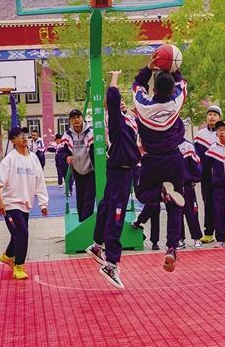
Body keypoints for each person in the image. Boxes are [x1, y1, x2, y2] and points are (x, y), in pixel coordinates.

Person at [86, 70, 141, 289]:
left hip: (124, 171)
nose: (121, 103)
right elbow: (113, 98)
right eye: (118, 102)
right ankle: (110, 263)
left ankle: (97, 244)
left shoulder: (131, 121)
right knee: (116, 216)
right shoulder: (114, 121)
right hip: (120, 170)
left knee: (107, 206)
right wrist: (115, 78)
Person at [132, 61, 187, 272]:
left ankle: (161, 194)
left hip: (152, 160)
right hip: (174, 158)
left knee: (142, 194)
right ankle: (172, 248)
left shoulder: (143, 106)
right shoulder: (176, 102)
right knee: (176, 207)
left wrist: (149, 68)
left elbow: (137, 84)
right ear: (172, 90)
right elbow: (182, 83)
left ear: (153, 89)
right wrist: (172, 67)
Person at [0, 127, 49, 280]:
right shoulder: (10, 159)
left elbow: (40, 181)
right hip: (10, 205)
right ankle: (19, 267)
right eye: (19, 136)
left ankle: (7, 256)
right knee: (22, 233)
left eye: (25, 135)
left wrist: (43, 203)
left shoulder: (34, 158)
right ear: (13, 141)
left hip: (25, 206)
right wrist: (0, 202)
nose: (24, 137)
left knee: (17, 234)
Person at [57, 109, 95, 222]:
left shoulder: (91, 131)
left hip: (91, 170)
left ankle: (87, 223)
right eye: (73, 118)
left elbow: (100, 147)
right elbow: (61, 151)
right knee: (80, 198)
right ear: (70, 121)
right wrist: (66, 157)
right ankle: (82, 222)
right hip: (78, 170)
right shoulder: (67, 134)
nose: (76, 120)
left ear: (82, 118)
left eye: (78, 117)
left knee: (89, 197)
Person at [194, 106, 222, 244]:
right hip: (206, 177)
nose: (212, 117)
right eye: (210, 114)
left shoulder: (223, 133)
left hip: (221, 176)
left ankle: (224, 233)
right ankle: (209, 233)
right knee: (208, 203)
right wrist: (196, 173)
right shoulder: (200, 135)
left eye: (215, 115)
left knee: (222, 204)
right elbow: (196, 156)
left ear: (219, 118)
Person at [178, 139, 203, 249]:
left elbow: (196, 163)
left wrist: (194, 178)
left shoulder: (188, 146)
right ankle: (179, 239)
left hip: (187, 186)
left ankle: (197, 238)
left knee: (192, 212)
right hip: (173, 187)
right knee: (176, 214)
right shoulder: (166, 144)